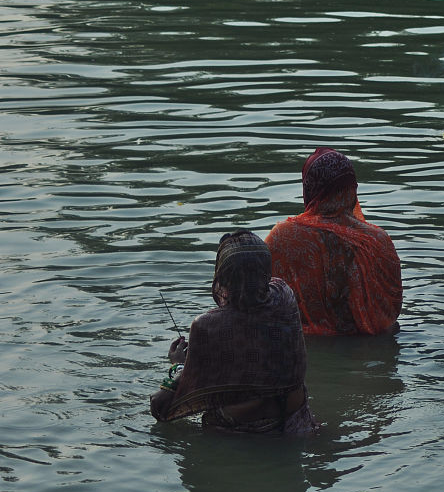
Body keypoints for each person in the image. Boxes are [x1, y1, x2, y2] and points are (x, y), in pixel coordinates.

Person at [150, 230, 316, 435]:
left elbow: (161, 407)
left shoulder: (207, 325)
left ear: (222, 277)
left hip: (241, 433)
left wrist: (178, 364)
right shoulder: (284, 296)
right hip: (296, 422)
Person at [265, 148, 402, 336]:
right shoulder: (378, 240)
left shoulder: (283, 237)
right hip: (371, 352)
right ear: (352, 189)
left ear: (310, 189)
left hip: (305, 350)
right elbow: (392, 310)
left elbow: (261, 303)